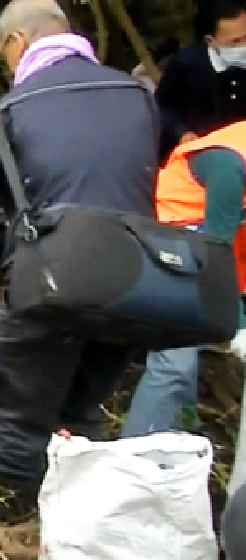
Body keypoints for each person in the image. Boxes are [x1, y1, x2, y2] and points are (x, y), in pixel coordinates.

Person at [0, 0, 158, 520]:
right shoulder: (138, 95)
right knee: (82, 406)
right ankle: (77, 524)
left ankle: (11, 519)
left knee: (19, 409)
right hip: (136, 281)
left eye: (4, 55)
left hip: (53, 278)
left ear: (17, 43)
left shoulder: (10, 111)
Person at [120, 120, 246, 436]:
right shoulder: (229, 162)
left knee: (188, 347)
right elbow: (217, 253)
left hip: (196, 248)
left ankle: (179, 433)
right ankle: (133, 460)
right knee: (173, 362)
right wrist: (240, 326)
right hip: (164, 242)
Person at [154, 0, 246, 160]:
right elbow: (162, 108)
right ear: (210, 40)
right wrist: (181, 133)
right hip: (200, 158)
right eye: (234, 42)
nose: (242, 46)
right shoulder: (186, 65)